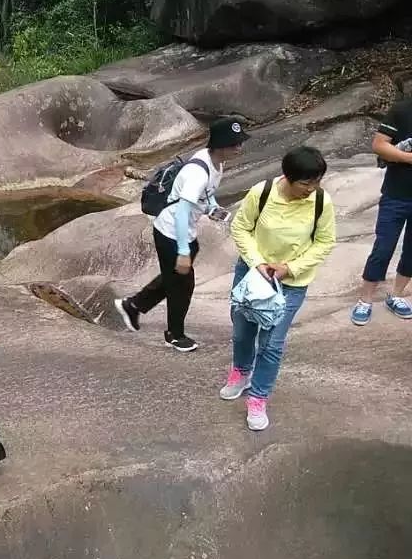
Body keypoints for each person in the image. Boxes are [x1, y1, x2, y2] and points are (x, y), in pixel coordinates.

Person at [224, 146, 337, 431]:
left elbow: (325, 242)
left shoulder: (321, 202)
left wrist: (291, 267)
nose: (312, 189)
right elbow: (240, 228)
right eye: (306, 183)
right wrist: (258, 263)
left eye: (317, 182)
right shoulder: (261, 193)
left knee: (272, 343)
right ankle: (241, 371)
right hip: (253, 275)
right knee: (242, 331)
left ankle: (258, 396)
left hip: (291, 282)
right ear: (288, 177)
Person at [114, 116, 249, 351]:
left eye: (239, 142)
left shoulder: (215, 162)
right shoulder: (199, 172)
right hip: (171, 232)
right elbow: (182, 211)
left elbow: (206, 194)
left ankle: (133, 305)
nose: (239, 147)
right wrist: (183, 251)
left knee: (173, 277)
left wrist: (212, 208)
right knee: (182, 284)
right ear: (220, 144)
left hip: (185, 230)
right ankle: (174, 335)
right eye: (234, 143)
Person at [350, 83, 412, 325]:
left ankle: (396, 296)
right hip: (396, 194)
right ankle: (365, 300)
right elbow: (379, 145)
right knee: (383, 247)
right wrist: (408, 158)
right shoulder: (402, 110)